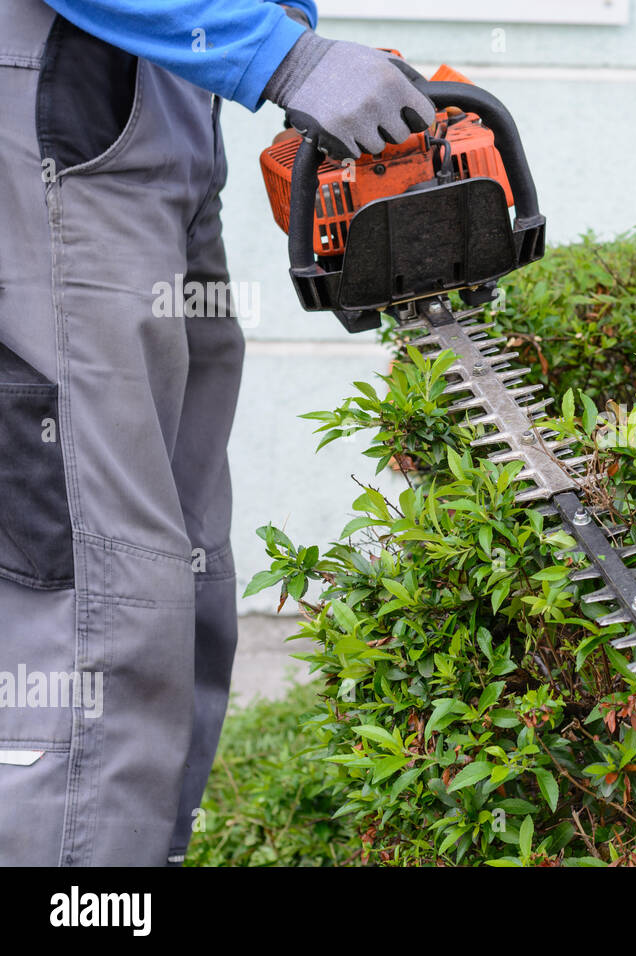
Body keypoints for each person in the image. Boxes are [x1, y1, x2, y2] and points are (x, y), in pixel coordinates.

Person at [0, 0, 436, 866]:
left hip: (167, 88)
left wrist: (276, 30)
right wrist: (281, 55)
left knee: (186, 574)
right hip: (69, 84)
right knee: (96, 585)